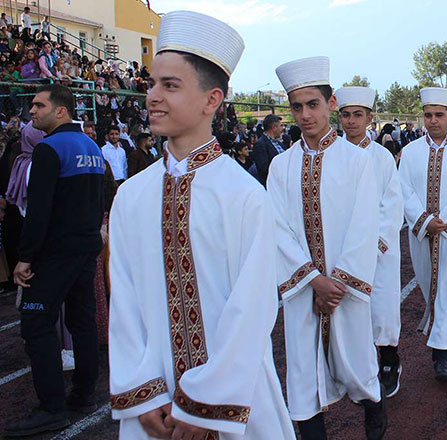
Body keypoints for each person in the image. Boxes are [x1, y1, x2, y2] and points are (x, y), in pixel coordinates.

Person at [106, 11, 294, 440]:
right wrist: (143, 393)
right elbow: (126, 303)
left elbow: (253, 310)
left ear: (212, 100)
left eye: (170, 85)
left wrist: (204, 403)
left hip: (235, 404)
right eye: (152, 83)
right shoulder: (131, 196)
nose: (152, 96)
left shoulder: (245, 196)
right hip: (154, 409)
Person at [271, 56, 385, 439]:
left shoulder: (358, 161)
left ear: (330, 103)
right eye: (296, 107)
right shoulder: (280, 166)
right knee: (303, 372)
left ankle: (374, 406)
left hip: (345, 288)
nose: (305, 115)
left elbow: (365, 224)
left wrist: (336, 283)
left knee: (355, 361)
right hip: (303, 290)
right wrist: (311, 280)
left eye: (313, 104)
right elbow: (277, 227)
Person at [3, 84, 104, 437]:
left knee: (35, 324)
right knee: (82, 320)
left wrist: (25, 257)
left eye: (38, 105)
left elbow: (39, 211)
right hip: (86, 246)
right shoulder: (91, 146)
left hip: (57, 251)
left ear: (60, 111)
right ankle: (85, 394)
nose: (32, 111)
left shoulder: (47, 150)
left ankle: (51, 408)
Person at [398, 87, 447, 382]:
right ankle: (439, 331)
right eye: (428, 115)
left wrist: (443, 222)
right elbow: (403, 190)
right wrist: (424, 220)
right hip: (422, 234)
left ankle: (442, 354)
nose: (433, 120)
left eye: (439, 115)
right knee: (429, 284)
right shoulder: (409, 152)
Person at [337, 85, 405, 399]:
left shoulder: (381, 157)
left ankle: (390, 360)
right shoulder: (332, 156)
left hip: (378, 250)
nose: (351, 121)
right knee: (350, 309)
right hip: (341, 250)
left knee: (382, 305)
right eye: (346, 115)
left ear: (369, 118)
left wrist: (373, 242)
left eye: (357, 115)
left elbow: (391, 205)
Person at [251, 113, 284, 186]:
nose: (282, 128)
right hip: (273, 185)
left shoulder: (278, 143)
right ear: (274, 127)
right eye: (280, 126)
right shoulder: (260, 144)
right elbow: (263, 169)